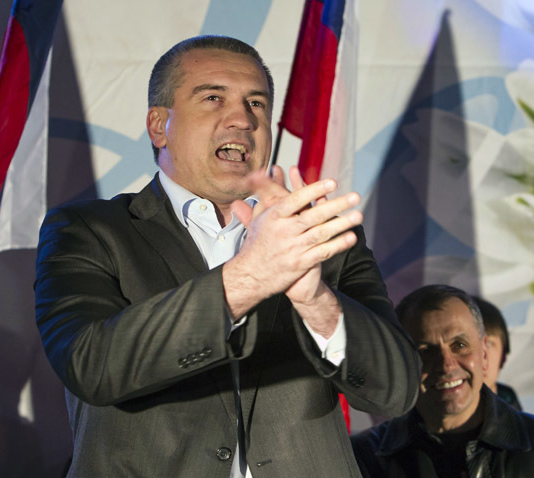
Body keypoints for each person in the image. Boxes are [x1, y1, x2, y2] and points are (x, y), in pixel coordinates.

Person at [34, 35, 420, 477]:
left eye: (257, 104)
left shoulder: (318, 237)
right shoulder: (86, 230)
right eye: (213, 98)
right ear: (160, 126)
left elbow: (397, 391)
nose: (242, 119)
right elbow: (92, 366)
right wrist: (249, 278)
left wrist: (316, 302)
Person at [351, 284, 534, 478]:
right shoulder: (362, 459)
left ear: (484, 355)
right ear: (401, 363)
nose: (446, 364)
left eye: (459, 345)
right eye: (425, 351)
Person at [473, 295, 522, 410]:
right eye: (464, 345)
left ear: (503, 356)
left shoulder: (520, 424)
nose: (480, 355)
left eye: (489, 343)